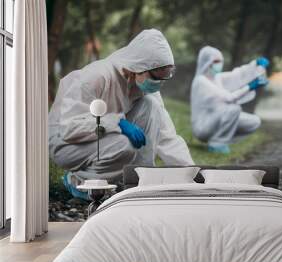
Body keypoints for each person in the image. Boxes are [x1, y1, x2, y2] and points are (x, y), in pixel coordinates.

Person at [49, 29, 194, 200]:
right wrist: (117, 123)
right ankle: (78, 181)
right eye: (156, 78)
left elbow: (167, 135)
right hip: (65, 142)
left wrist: (192, 173)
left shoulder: (145, 87)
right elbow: (70, 127)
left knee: (151, 107)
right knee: (124, 145)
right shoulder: (97, 76)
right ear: (139, 67)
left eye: (165, 77)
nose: (159, 84)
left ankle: (138, 181)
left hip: (100, 136)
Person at [190, 46, 269, 154]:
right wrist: (250, 86)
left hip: (215, 119)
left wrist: (255, 65)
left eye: (221, 61)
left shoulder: (216, 78)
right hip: (203, 126)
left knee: (254, 122)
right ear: (207, 62)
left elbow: (237, 75)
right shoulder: (201, 81)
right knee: (233, 108)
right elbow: (229, 98)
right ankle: (217, 144)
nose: (220, 64)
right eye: (216, 61)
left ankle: (220, 139)